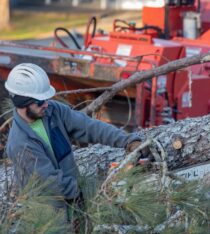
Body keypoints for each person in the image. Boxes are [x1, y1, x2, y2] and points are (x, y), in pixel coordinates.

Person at [5, 63, 144, 209]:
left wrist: (127, 140)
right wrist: (91, 191)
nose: (46, 104)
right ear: (23, 103)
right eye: (40, 102)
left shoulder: (53, 111)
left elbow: (89, 127)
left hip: (75, 200)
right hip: (48, 215)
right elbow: (50, 183)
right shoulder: (19, 143)